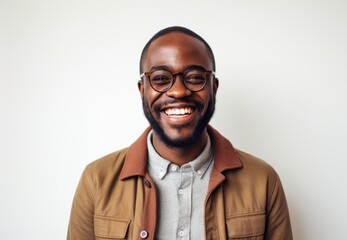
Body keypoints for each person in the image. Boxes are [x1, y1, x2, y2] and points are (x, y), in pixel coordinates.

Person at [67, 26, 293, 240]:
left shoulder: (263, 180)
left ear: (213, 87)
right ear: (142, 90)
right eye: (160, 79)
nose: (177, 91)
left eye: (194, 77)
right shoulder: (96, 181)